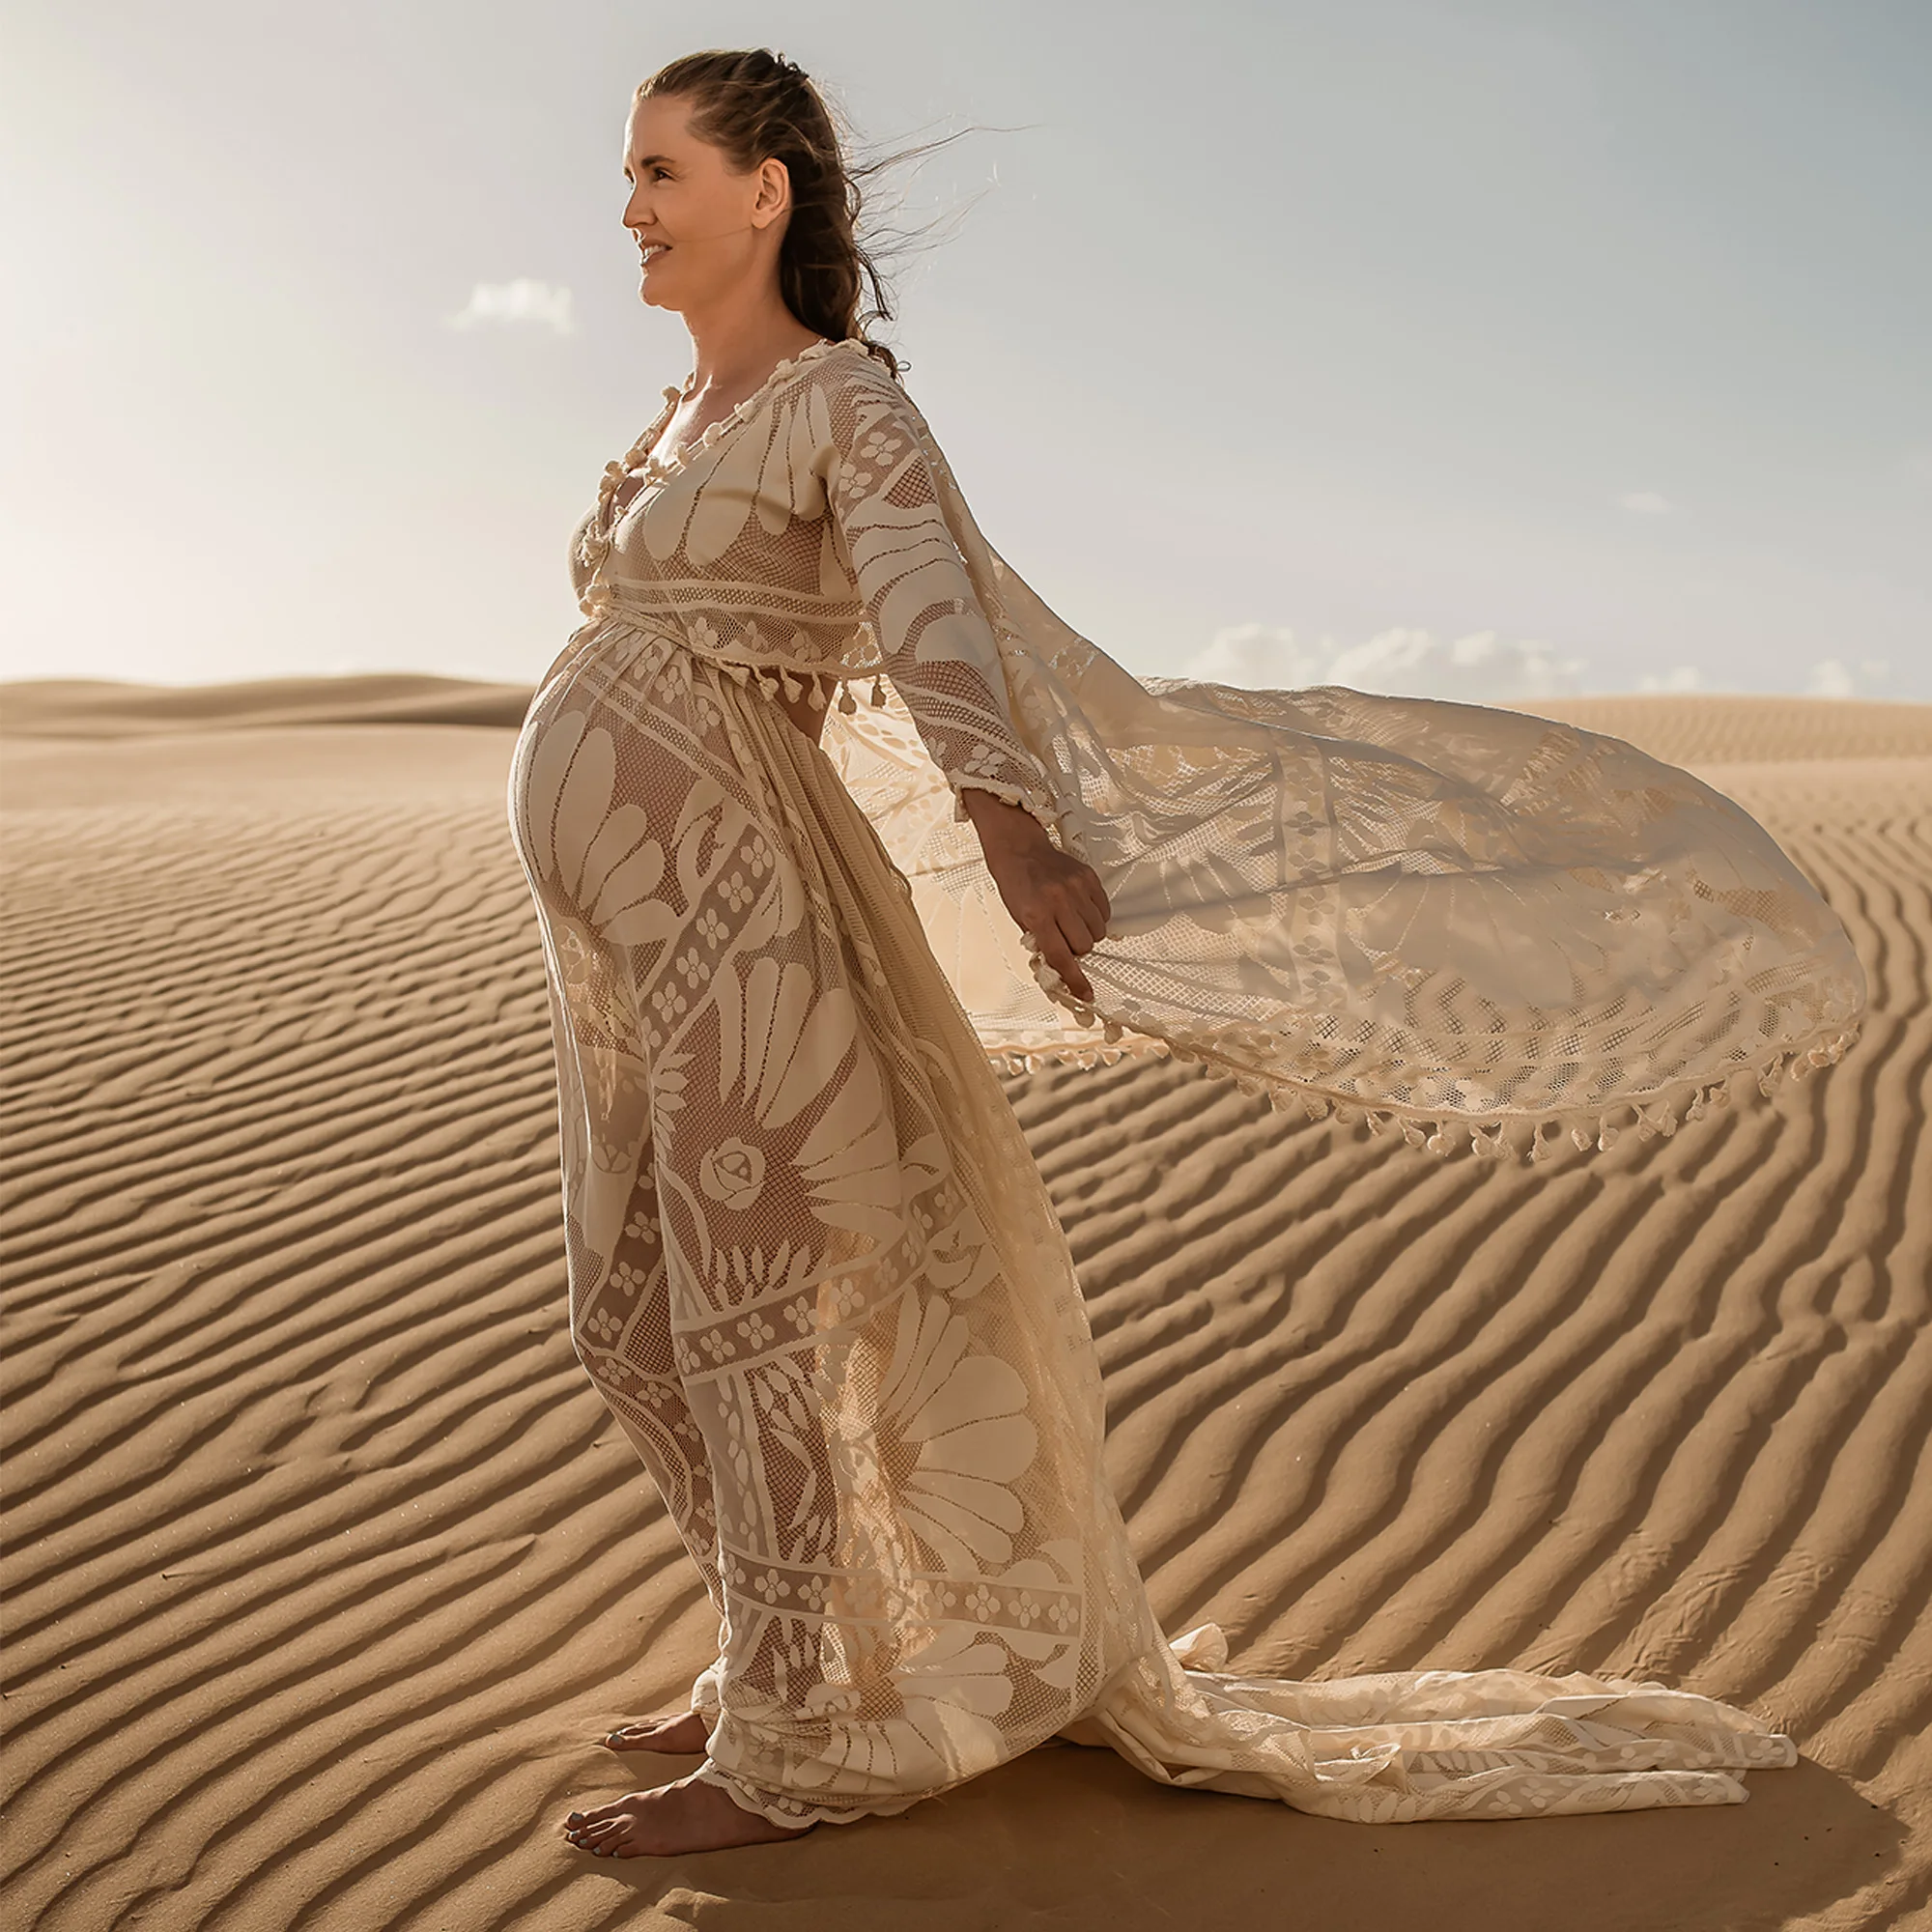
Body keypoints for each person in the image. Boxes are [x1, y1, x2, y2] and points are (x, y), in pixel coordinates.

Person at [506, 48, 1866, 1859]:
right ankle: (802, 1643)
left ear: (766, 192)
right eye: (630, 174)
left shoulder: (845, 405)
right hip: (619, 938)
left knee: (759, 1313)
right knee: (627, 1314)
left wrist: (1014, 834)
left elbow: (934, 632)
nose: (631, 209)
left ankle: (790, 1736)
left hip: (744, 908)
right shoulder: (673, 417)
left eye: (662, 172)